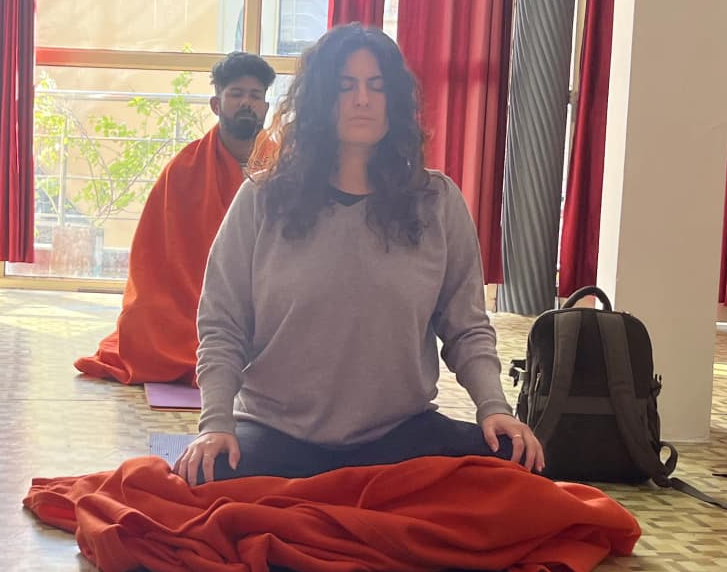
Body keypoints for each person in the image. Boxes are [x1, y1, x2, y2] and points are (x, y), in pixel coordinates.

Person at [175, 25, 544, 485]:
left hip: (401, 437)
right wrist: (215, 424)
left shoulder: (436, 201)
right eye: (346, 86)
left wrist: (494, 409)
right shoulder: (262, 199)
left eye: (376, 86)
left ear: (395, 100)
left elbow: (466, 328)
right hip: (278, 435)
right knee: (199, 481)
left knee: (517, 467)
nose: (362, 100)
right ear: (320, 101)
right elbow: (222, 325)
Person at [76, 52, 274, 386]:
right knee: (141, 321)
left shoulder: (285, 168)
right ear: (216, 104)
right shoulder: (184, 169)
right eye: (236, 94)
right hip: (191, 299)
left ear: (266, 108)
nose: (247, 104)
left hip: (263, 296)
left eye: (256, 97)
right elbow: (152, 258)